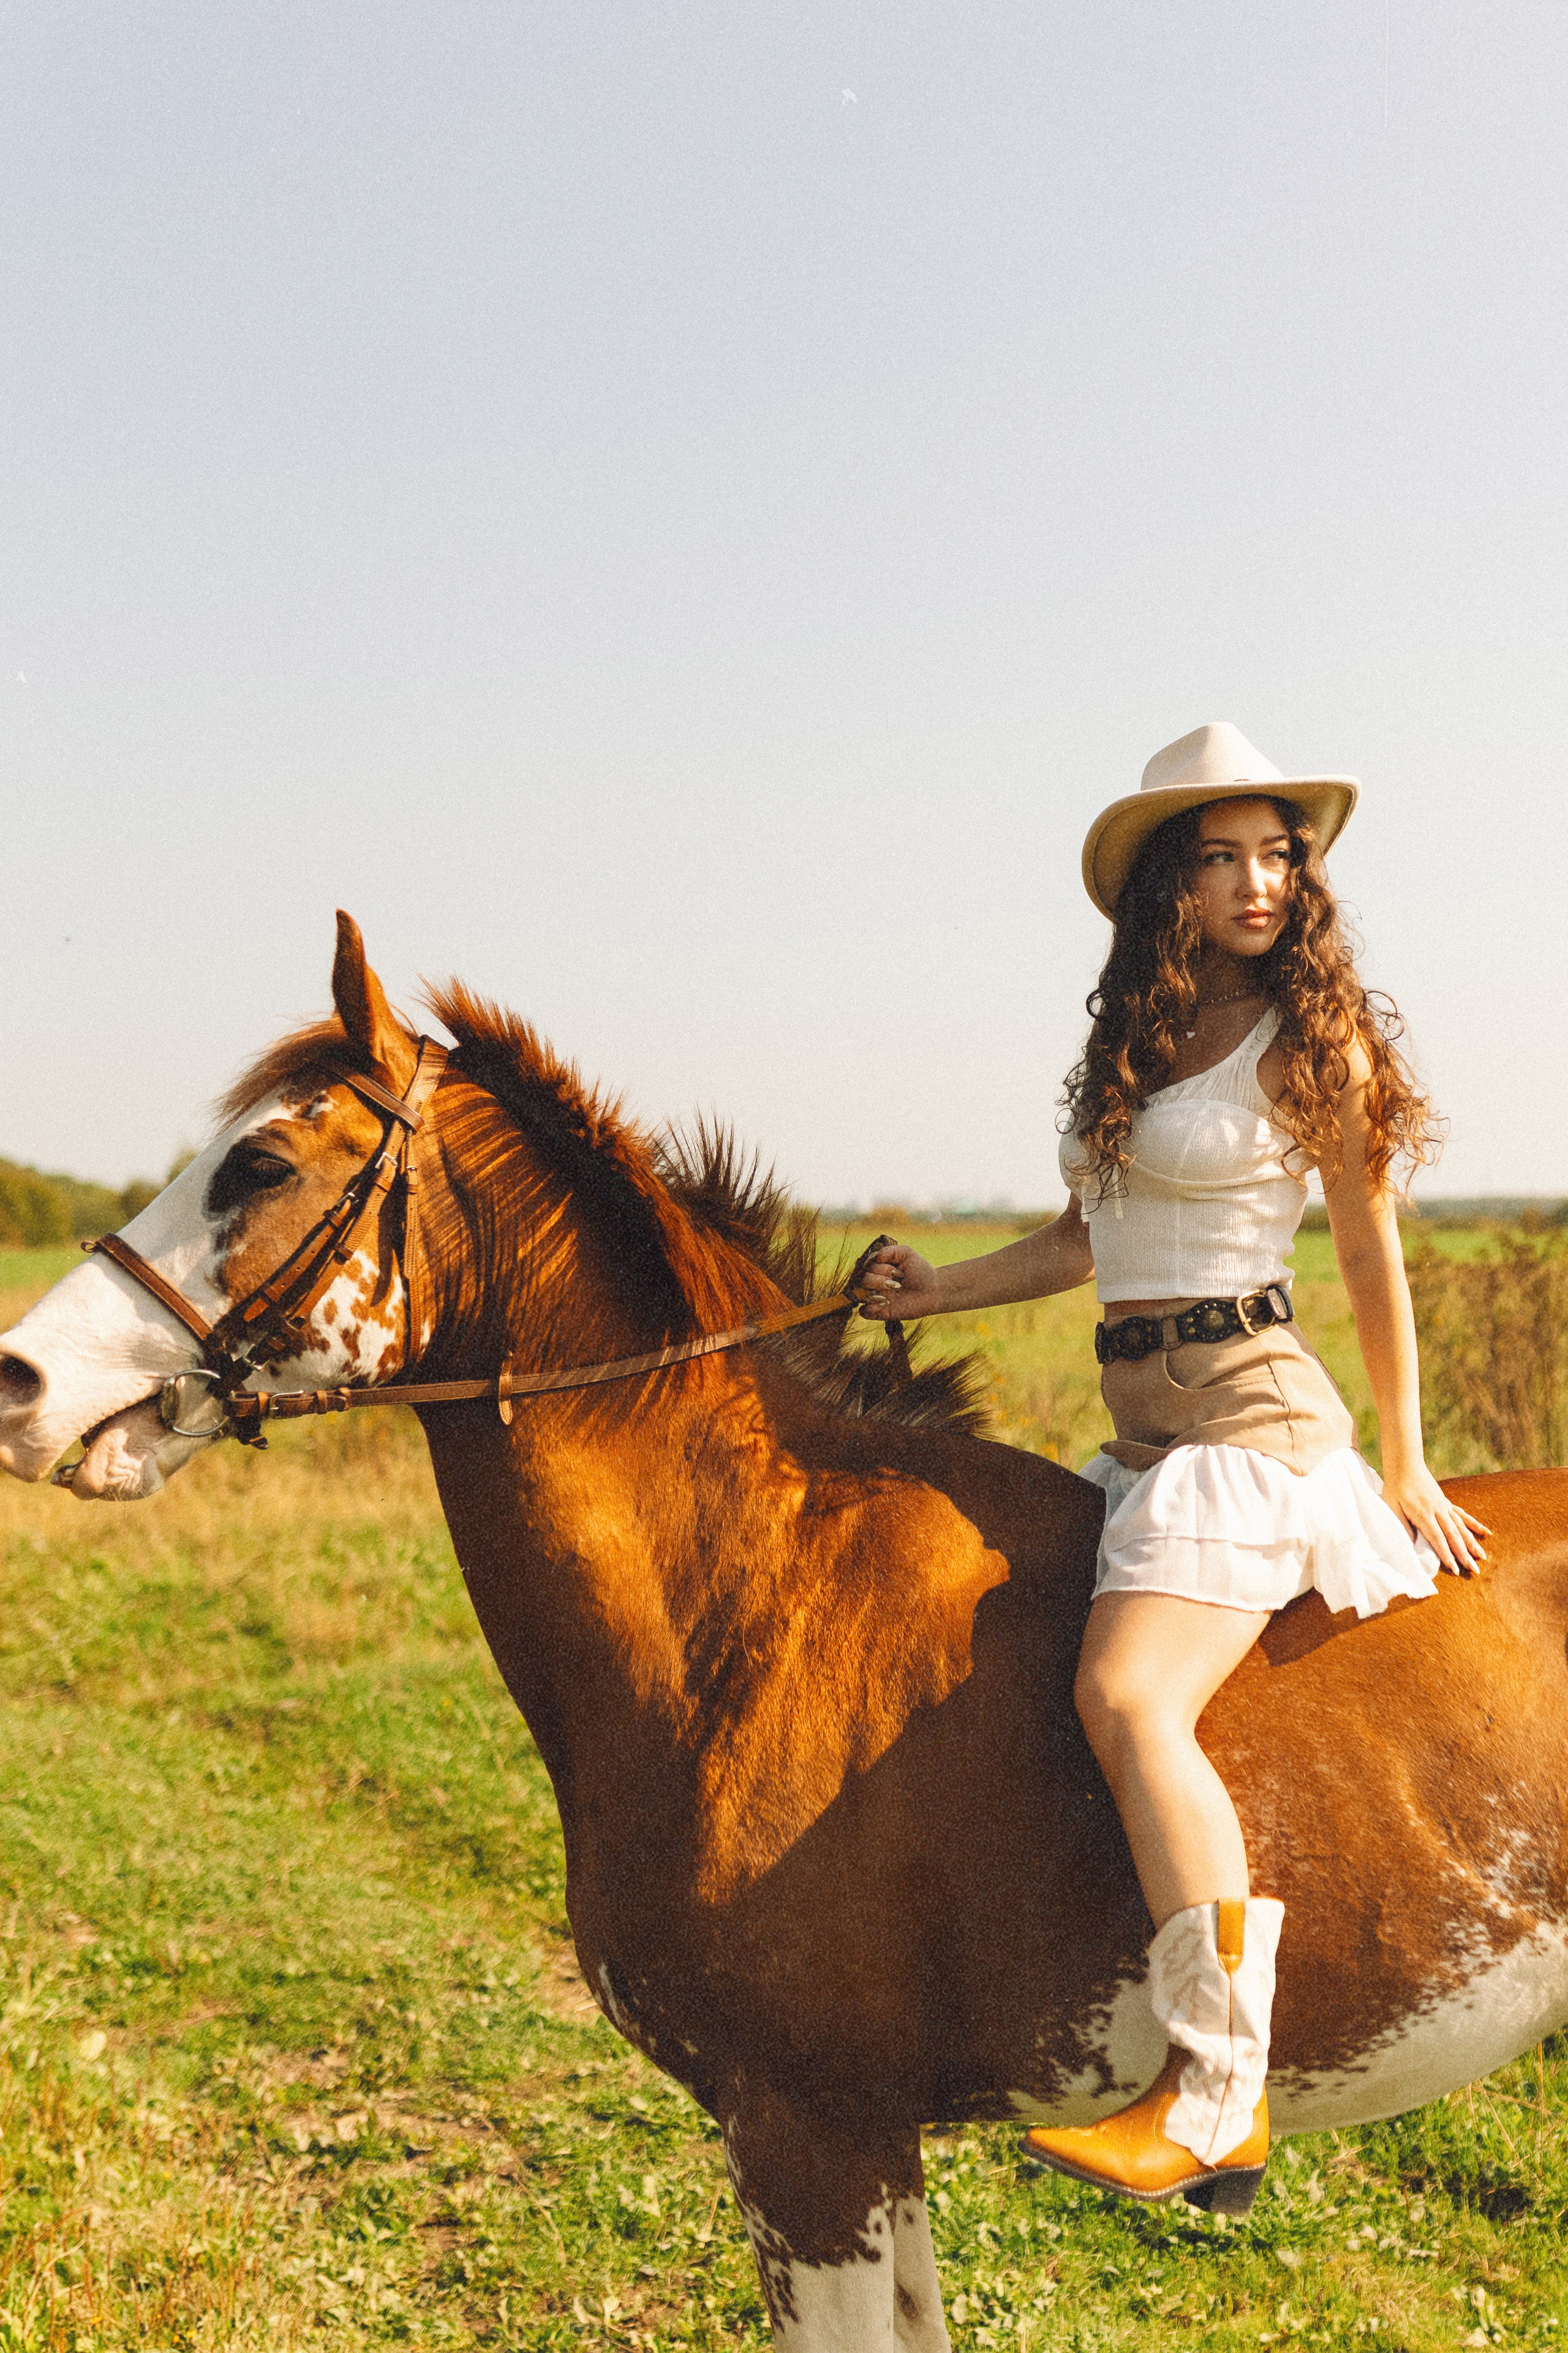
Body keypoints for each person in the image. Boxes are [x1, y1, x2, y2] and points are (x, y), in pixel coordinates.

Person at [856, 720, 1488, 2213]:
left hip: (1246, 1422)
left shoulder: (1308, 1042)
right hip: (1141, 1434)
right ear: (1169, 887)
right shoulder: (1134, 1044)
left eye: (1277, 855)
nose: (1257, 882)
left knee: (1127, 1696)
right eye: (1221, 858)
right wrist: (932, 1292)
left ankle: (1216, 2093)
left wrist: (1404, 1460)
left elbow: (1367, 1257)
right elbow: (1082, 1243)